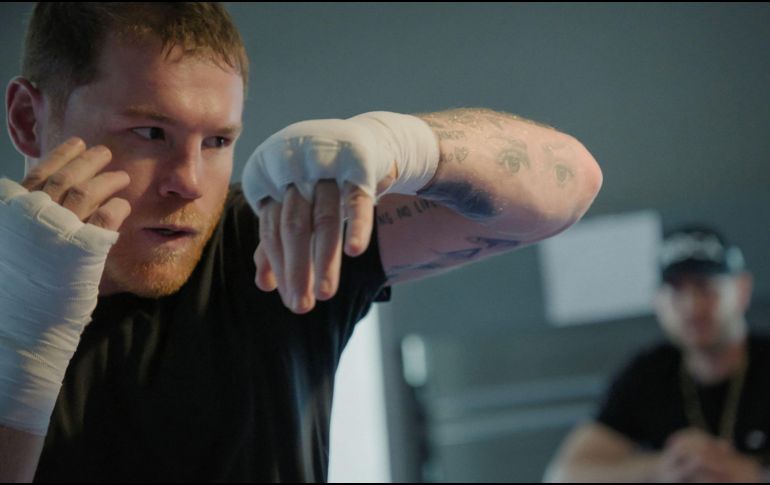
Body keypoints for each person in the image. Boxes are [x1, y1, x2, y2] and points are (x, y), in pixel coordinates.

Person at [0, 3, 602, 482]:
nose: (189, 182)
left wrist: (400, 146)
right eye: (150, 133)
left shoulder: (272, 242)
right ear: (29, 119)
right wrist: (22, 342)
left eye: (217, 142)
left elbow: (569, 187)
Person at [546, 226, 770, 483]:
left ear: (742, 290)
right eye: (676, 290)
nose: (692, 305)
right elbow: (563, 476)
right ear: (658, 302)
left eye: (705, 286)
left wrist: (756, 474)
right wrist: (664, 467)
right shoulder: (649, 373)